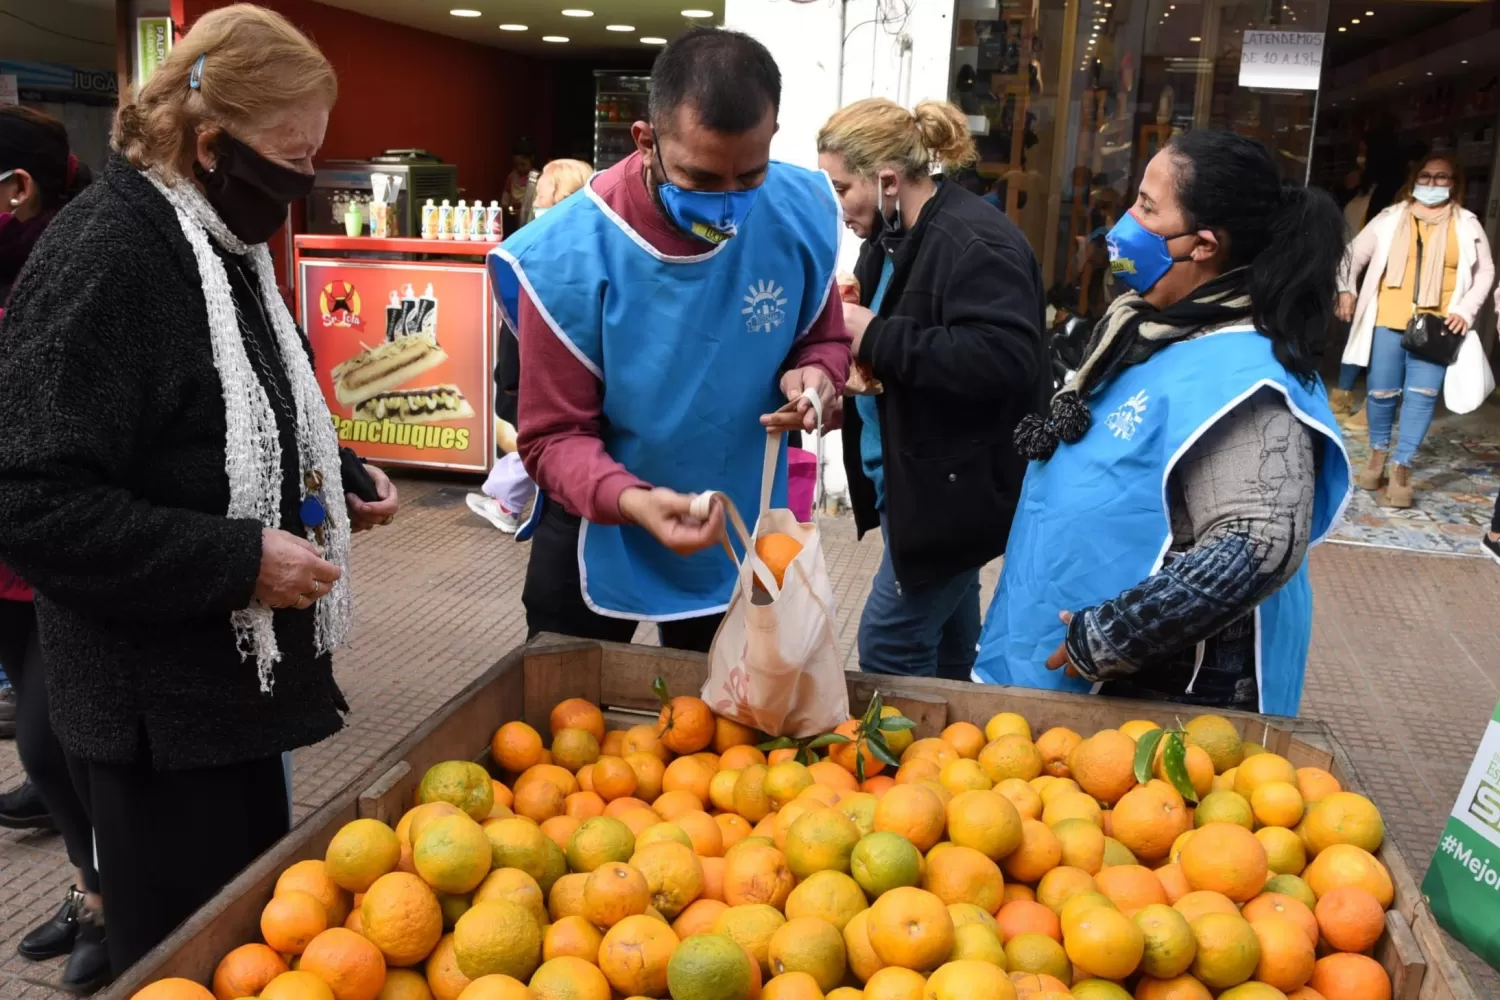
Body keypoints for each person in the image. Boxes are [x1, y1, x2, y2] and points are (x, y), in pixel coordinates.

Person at [0, 5, 399, 976]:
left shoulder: (219, 242)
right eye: (291, 156)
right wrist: (239, 560)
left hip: (236, 698)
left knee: (253, 945)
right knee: (185, 963)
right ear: (212, 142)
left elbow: (246, 406)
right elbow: (33, 501)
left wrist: (337, 474)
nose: (303, 181)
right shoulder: (110, 253)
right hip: (155, 715)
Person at [490, 27, 848, 652]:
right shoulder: (564, 257)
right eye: (702, 179)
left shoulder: (799, 208)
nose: (729, 207)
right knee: (567, 727)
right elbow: (550, 439)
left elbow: (822, 336)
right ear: (646, 140)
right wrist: (634, 500)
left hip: (739, 532)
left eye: (750, 176)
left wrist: (817, 375)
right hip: (596, 530)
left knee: (730, 740)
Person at [972, 130, 1352, 715]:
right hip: (1097, 667)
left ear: (1203, 245)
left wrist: (1114, 635)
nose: (1125, 223)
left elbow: (1261, 542)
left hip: (1163, 690)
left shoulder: (1248, 374)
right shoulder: (1153, 329)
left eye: (1148, 207)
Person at [816, 98, 1046, 680]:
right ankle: (955, 752)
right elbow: (900, 354)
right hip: (918, 486)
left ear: (888, 180)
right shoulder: (889, 237)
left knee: (890, 644)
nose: (837, 206)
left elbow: (1007, 361)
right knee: (947, 646)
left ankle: (908, 769)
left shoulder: (975, 242)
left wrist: (876, 334)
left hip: (950, 493)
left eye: (843, 189)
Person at [0, 105, 111, 992]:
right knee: (43, 749)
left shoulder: (72, 268)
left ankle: (106, 896)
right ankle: (94, 890)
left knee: (52, 741)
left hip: (56, 550)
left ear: (17, 188)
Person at [1336, 151, 1495, 508]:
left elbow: (1485, 271)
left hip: (1438, 327)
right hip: (1388, 321)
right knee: (1381, 394)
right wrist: (1346, 289)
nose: (1433, 183)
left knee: (1422, 396)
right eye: (1426, 176)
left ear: (1454, 184)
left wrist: (1467, 311)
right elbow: (1352, 256)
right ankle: (1377, 456)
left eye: (1442, 178)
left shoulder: (1467, 223)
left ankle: (1402, 467)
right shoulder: (1390, 218)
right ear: (1414, 180)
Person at [469, 158, 593, 534]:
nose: (534, 203)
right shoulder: (593, 249)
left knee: (542, 440)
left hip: (538, 376)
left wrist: (509, 380)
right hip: (578, 380)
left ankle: (508, 505)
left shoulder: (534, 251)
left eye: (541, 196)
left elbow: (519, 329)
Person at [1330, 120, 1408, 419]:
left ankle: (1371, 403)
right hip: (1354, 264)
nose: (1359, 155)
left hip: (1382, 272)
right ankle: (1343, 395)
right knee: (1357, 333)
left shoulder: (1390, 191)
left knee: (1378, 341)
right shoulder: (1363, 185)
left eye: (1364, 150)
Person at [500, 137, 536, 237]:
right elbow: (504, 203)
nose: (519, 168)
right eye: (516, 165)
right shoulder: (511, 178)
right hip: (513, 224)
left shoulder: (538, 178)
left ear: (532, 159)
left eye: (523, 164)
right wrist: (511, 208)